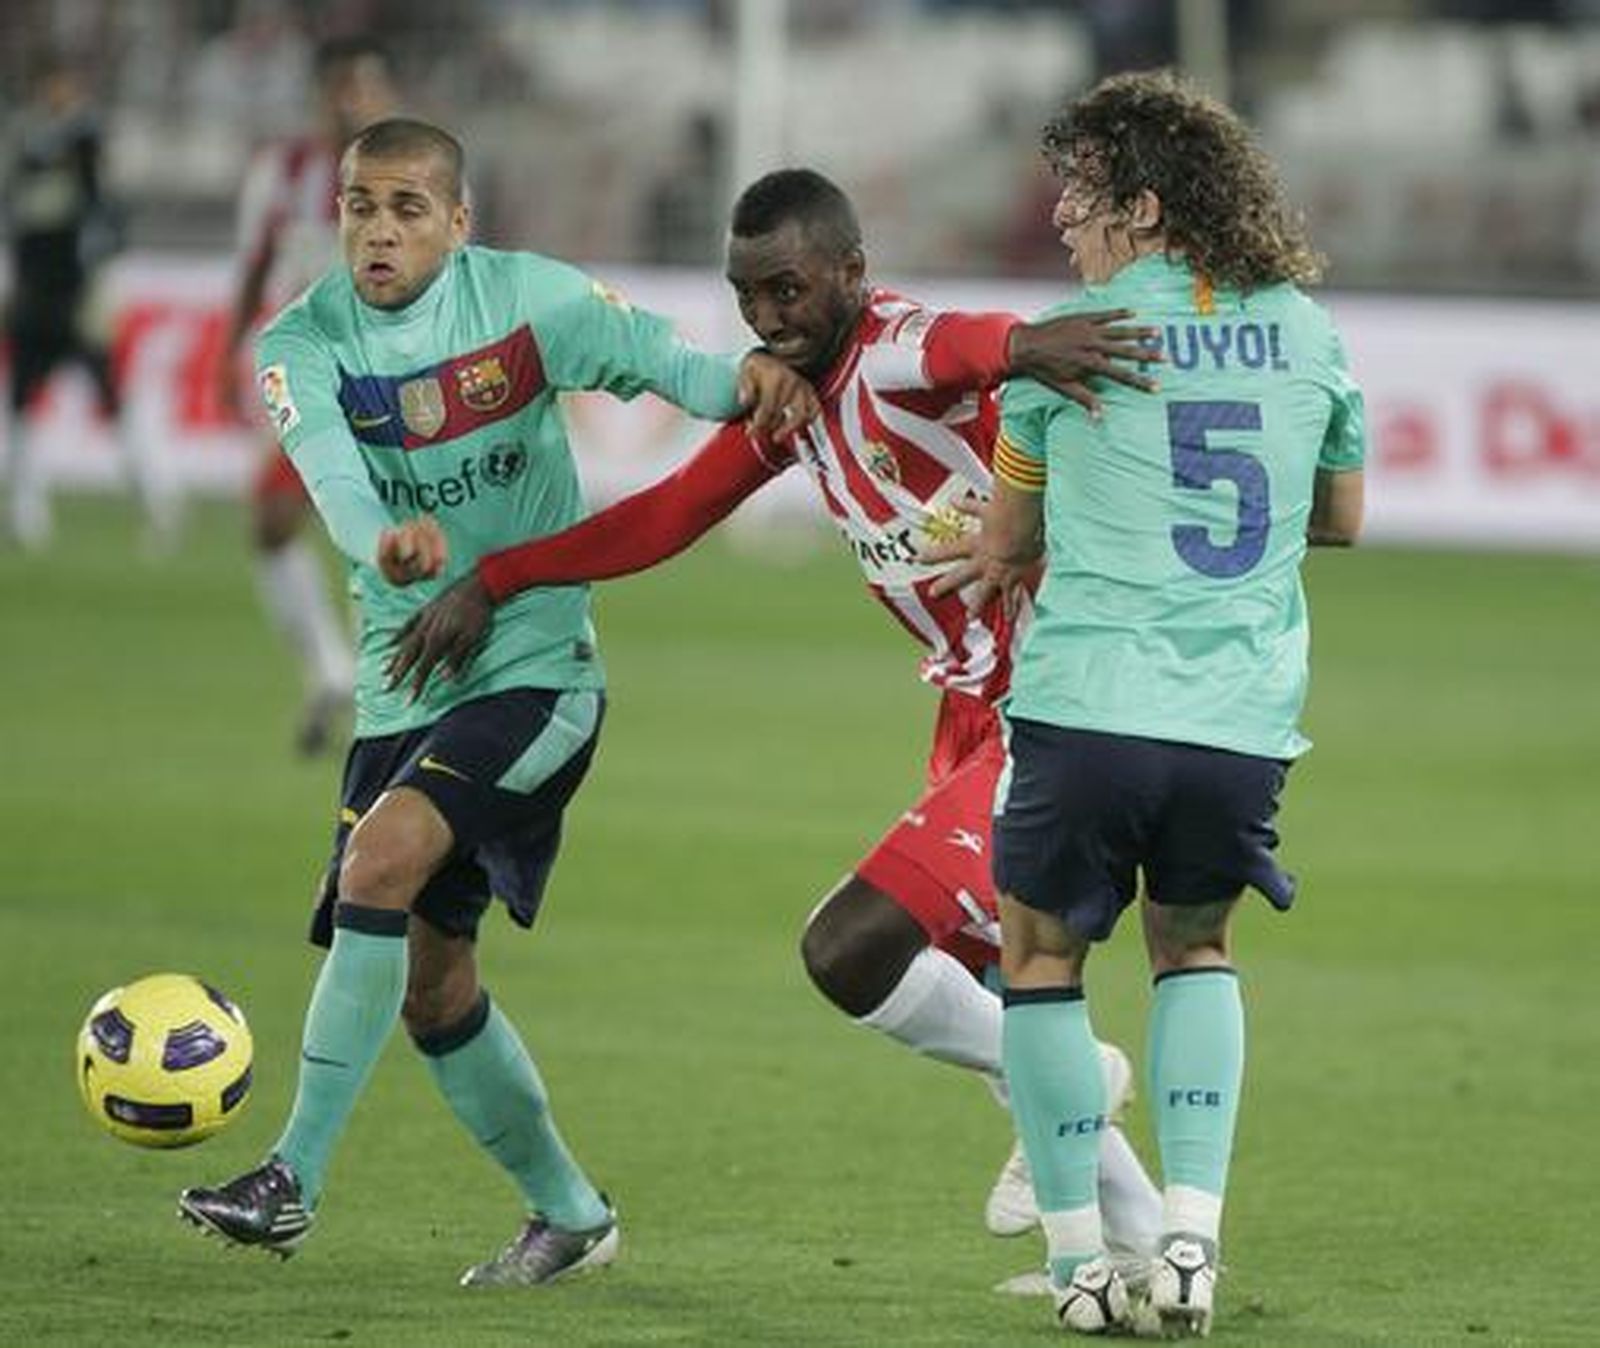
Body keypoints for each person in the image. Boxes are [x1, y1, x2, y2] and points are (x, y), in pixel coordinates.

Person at [382, 167, 1168, 1272]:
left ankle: (1074, 1077)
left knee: (853, 950)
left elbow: (965, 342)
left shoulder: (889, 349)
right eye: (747, 296)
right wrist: (501, 576)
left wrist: (1032, 344)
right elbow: (664, 516)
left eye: (789, 290)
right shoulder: (795, 405)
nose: (767, 318)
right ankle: (1142, 1245)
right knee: (1000, 991)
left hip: (1053, 709)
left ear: (850, 272)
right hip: (974, 703)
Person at [177, 118, 816, 1286]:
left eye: (407, 207)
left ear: (459, 221)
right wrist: (390, 545)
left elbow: (668, 367)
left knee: (378, 863)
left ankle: (290, 1179)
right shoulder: (299, 341)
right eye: (361, 205)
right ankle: (570, 1214)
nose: (378, 229)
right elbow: (330, 478)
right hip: (401, 685)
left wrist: (747, 378)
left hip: (537, 675)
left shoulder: (526, 302)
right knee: (433, 990)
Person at [926, 71, 1365, 1336]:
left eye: (1081, 191)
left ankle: (1076, 1266)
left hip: (1089, 705)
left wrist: (994, 533)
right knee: (1198, 952)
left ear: (1147, 207)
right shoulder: (1309, 331)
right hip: (1236, 722)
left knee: (1041, 962)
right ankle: (1190, 1241)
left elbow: (1005, 541)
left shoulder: (1065, 344)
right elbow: (1337, 521)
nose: (1060, 215)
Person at [214, 35, 398, 754]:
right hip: (317, 381)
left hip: (396, 379)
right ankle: (331, 667)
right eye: (347, 86)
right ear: (324, 93)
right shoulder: (284, 172)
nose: (359, 100)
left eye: (371, 86)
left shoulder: (421, 169)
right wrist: (228, 352)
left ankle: (377, 684)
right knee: (272, 519)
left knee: (381, 535)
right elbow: (256, 265)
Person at [3, 56, 178, 552]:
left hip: (76, 296)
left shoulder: (86, 145)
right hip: (36, 295)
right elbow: (21, 228)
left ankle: (155, 498)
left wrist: (102, 289)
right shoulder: (28, 149)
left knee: (111, 398)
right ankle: (26, 513)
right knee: (19, 404)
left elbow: (107, 225)